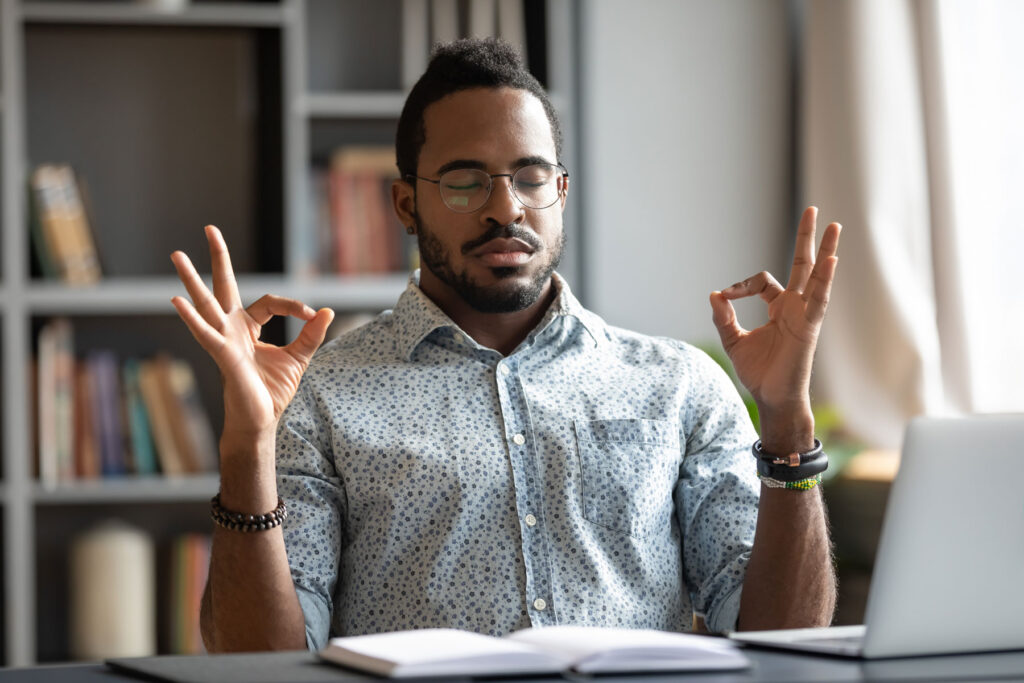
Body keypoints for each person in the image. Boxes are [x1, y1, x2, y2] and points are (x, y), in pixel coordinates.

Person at [171, 38, 840, 653]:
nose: (505, 208)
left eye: (530, 176)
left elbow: (781, 639)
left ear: (561, 190)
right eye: (465, 181)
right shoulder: (323, 394)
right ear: (406, 205)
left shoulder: (679, 383)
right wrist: (247, 445)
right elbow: (258, 659)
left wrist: (786, 420)